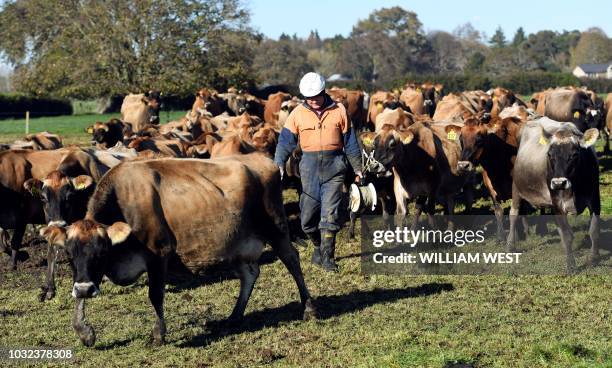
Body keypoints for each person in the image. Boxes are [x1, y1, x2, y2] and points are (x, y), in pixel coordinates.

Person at [274, 72, 363, 272]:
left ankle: (328, 257)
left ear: (323, 92)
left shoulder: (339, 110)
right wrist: (278, 163)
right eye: (308, 97)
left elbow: (350, 143)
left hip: (335, 167)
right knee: (307, 219)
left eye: (315, 96)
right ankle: (316, 244)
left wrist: (358, 168)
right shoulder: (297, 113)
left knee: (329, 215)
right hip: (308, 169)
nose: (312, 100)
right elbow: (285, 141)